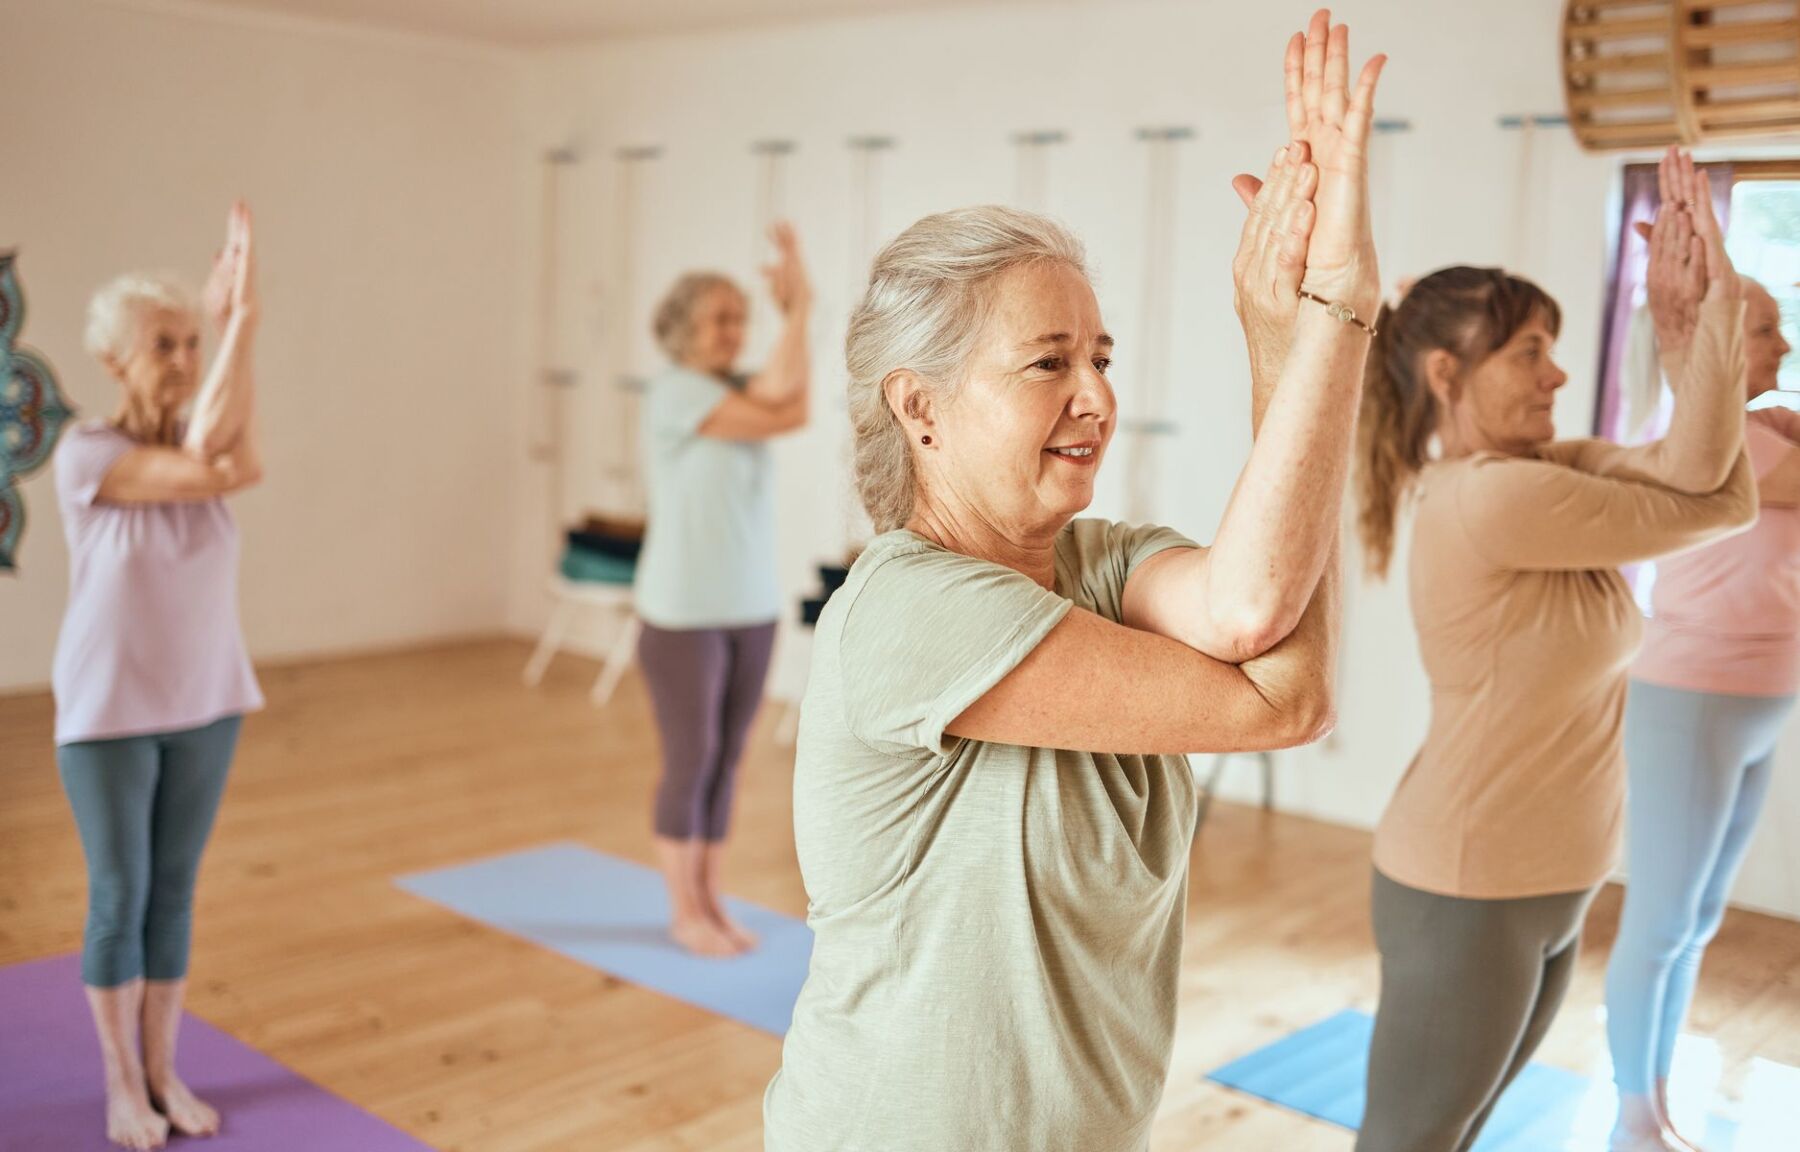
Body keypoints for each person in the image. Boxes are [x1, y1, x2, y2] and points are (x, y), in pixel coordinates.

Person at [763, 12, 1385, 1149]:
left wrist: (1279, 334)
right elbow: (1281, 685)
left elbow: (1256, 600)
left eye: (1100, 358)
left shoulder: (1103, 564)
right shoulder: (909, 610)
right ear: (921, 409)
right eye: (1047, 362)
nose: (1094, 396)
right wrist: (1338, 320)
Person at [1351, 149, 1757, 1152]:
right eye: (1530, 350)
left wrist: (1681, 326)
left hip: (1547, 877)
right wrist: (1718, 311)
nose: (1558, 372)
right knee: (1411, 1139)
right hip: (1466, 880)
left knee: (1464, 1128)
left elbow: (1713, 480)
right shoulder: (1497, 497)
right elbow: (1719, 501)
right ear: (1449, 374)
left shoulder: (1543, 468)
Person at [53, 202, 265, 1150]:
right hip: (108, 713)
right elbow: (205, 470)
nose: (181, 359)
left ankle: (164, 1071)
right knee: (119, 895)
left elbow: (229, 457)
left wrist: (237, 333)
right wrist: (243, 324)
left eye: (191, 340)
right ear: (113, 360)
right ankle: (119, 1085)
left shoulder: (206, 447)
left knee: (174, 893)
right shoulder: (89, 454)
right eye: (161, 345)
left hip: (209, 702)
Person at [1605, 276, 1799, 1152]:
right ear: (1715, 343)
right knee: (1661, 920)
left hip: (1764, 693)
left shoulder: (1764, 432)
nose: (1786, 348)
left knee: (1700, 918)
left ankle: (1656, 1099)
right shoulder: (1726, 437)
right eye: (1766, 330)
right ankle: (1633, 1116)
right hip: (1692, 698)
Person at [635, 222, 811, 957]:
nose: (735, 332)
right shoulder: (676, 392)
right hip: (682, 614)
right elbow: (781, 401)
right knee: (692, 756)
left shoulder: (735, 391)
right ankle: (684, 911)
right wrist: (798, 312)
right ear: (682, 331)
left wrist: (799, 311)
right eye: (720, 319)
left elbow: (793, 407)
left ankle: (711, 899)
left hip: (751, 608)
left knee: (730, 757)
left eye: (742, 318)